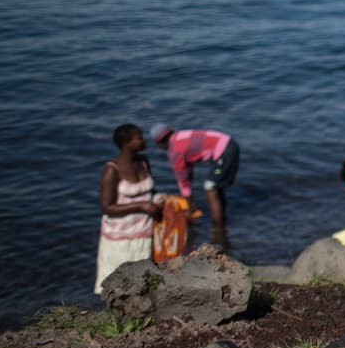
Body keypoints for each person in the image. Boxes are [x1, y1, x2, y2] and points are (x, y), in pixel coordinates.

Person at [95, 124, 162, 294]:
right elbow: (107, 207)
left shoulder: (143, 162)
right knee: (117, 282)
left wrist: (159, 200)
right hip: (120, 237)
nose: (143, 140)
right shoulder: (112, 170)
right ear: (126, 143)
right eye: (139, 137)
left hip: (145, 231)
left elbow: (149, 192)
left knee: (143, 279)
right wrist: (141, 206)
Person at [149, 123, 238, 248]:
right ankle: (221, 224)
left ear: (160, 142)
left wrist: (190, 205)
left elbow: (183, 180)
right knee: (216, 187)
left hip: (224, 151)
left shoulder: (175, 151)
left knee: (210, 189)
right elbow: (187, 171)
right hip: (228, 144)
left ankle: (218, 232)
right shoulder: (180, 136)